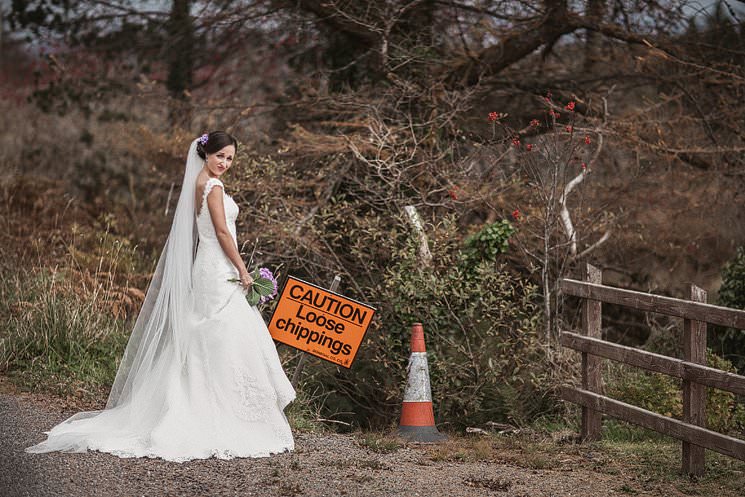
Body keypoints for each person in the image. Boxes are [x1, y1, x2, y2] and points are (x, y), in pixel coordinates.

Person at [26, 132, 296, 462]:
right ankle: (220, 411)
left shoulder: (200, 182)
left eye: (230, 159)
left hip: (208, 265)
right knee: (222, 332)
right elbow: (223, 232)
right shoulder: (214, 187)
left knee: (209, 334)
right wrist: (243, 269)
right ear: (206, 153)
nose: (224, 163)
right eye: (220, 156)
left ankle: (204, 401)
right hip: (218, 266)